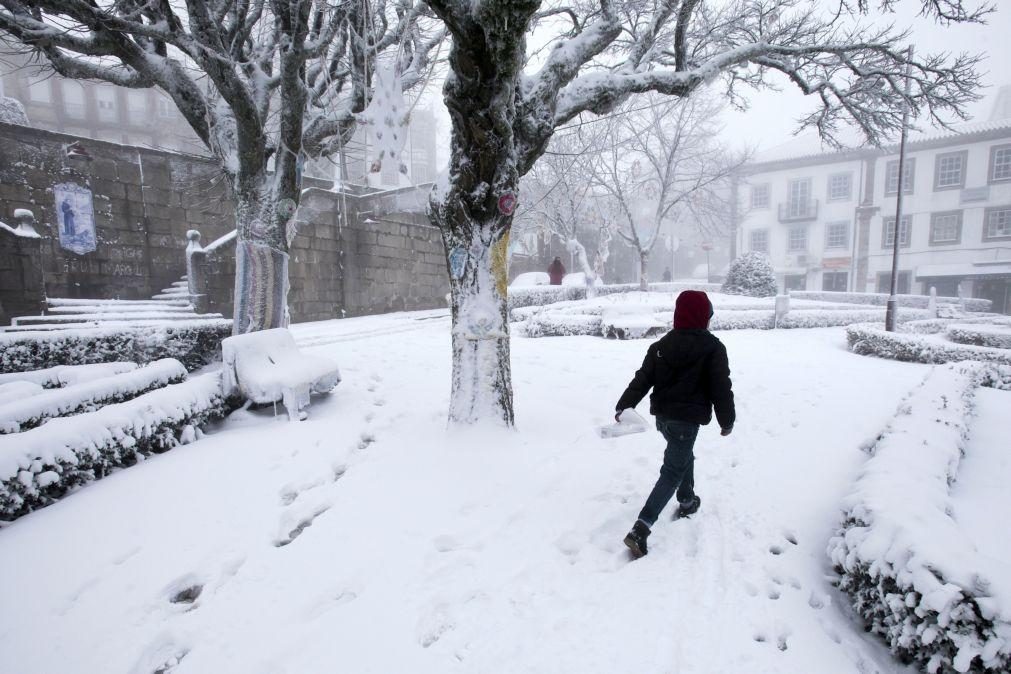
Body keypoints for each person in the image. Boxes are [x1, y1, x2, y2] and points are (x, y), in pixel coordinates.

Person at [614, 290, 735, 559]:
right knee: (672, 470)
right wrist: (727, 421)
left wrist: (624, 405)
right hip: (686, 421)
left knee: (682, 456)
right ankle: (641, 529)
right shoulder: (713, 348)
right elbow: (721, 388)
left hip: (664, 419)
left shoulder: (660, 346)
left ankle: (687, 500)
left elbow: (642, 379)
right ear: (704, 316)